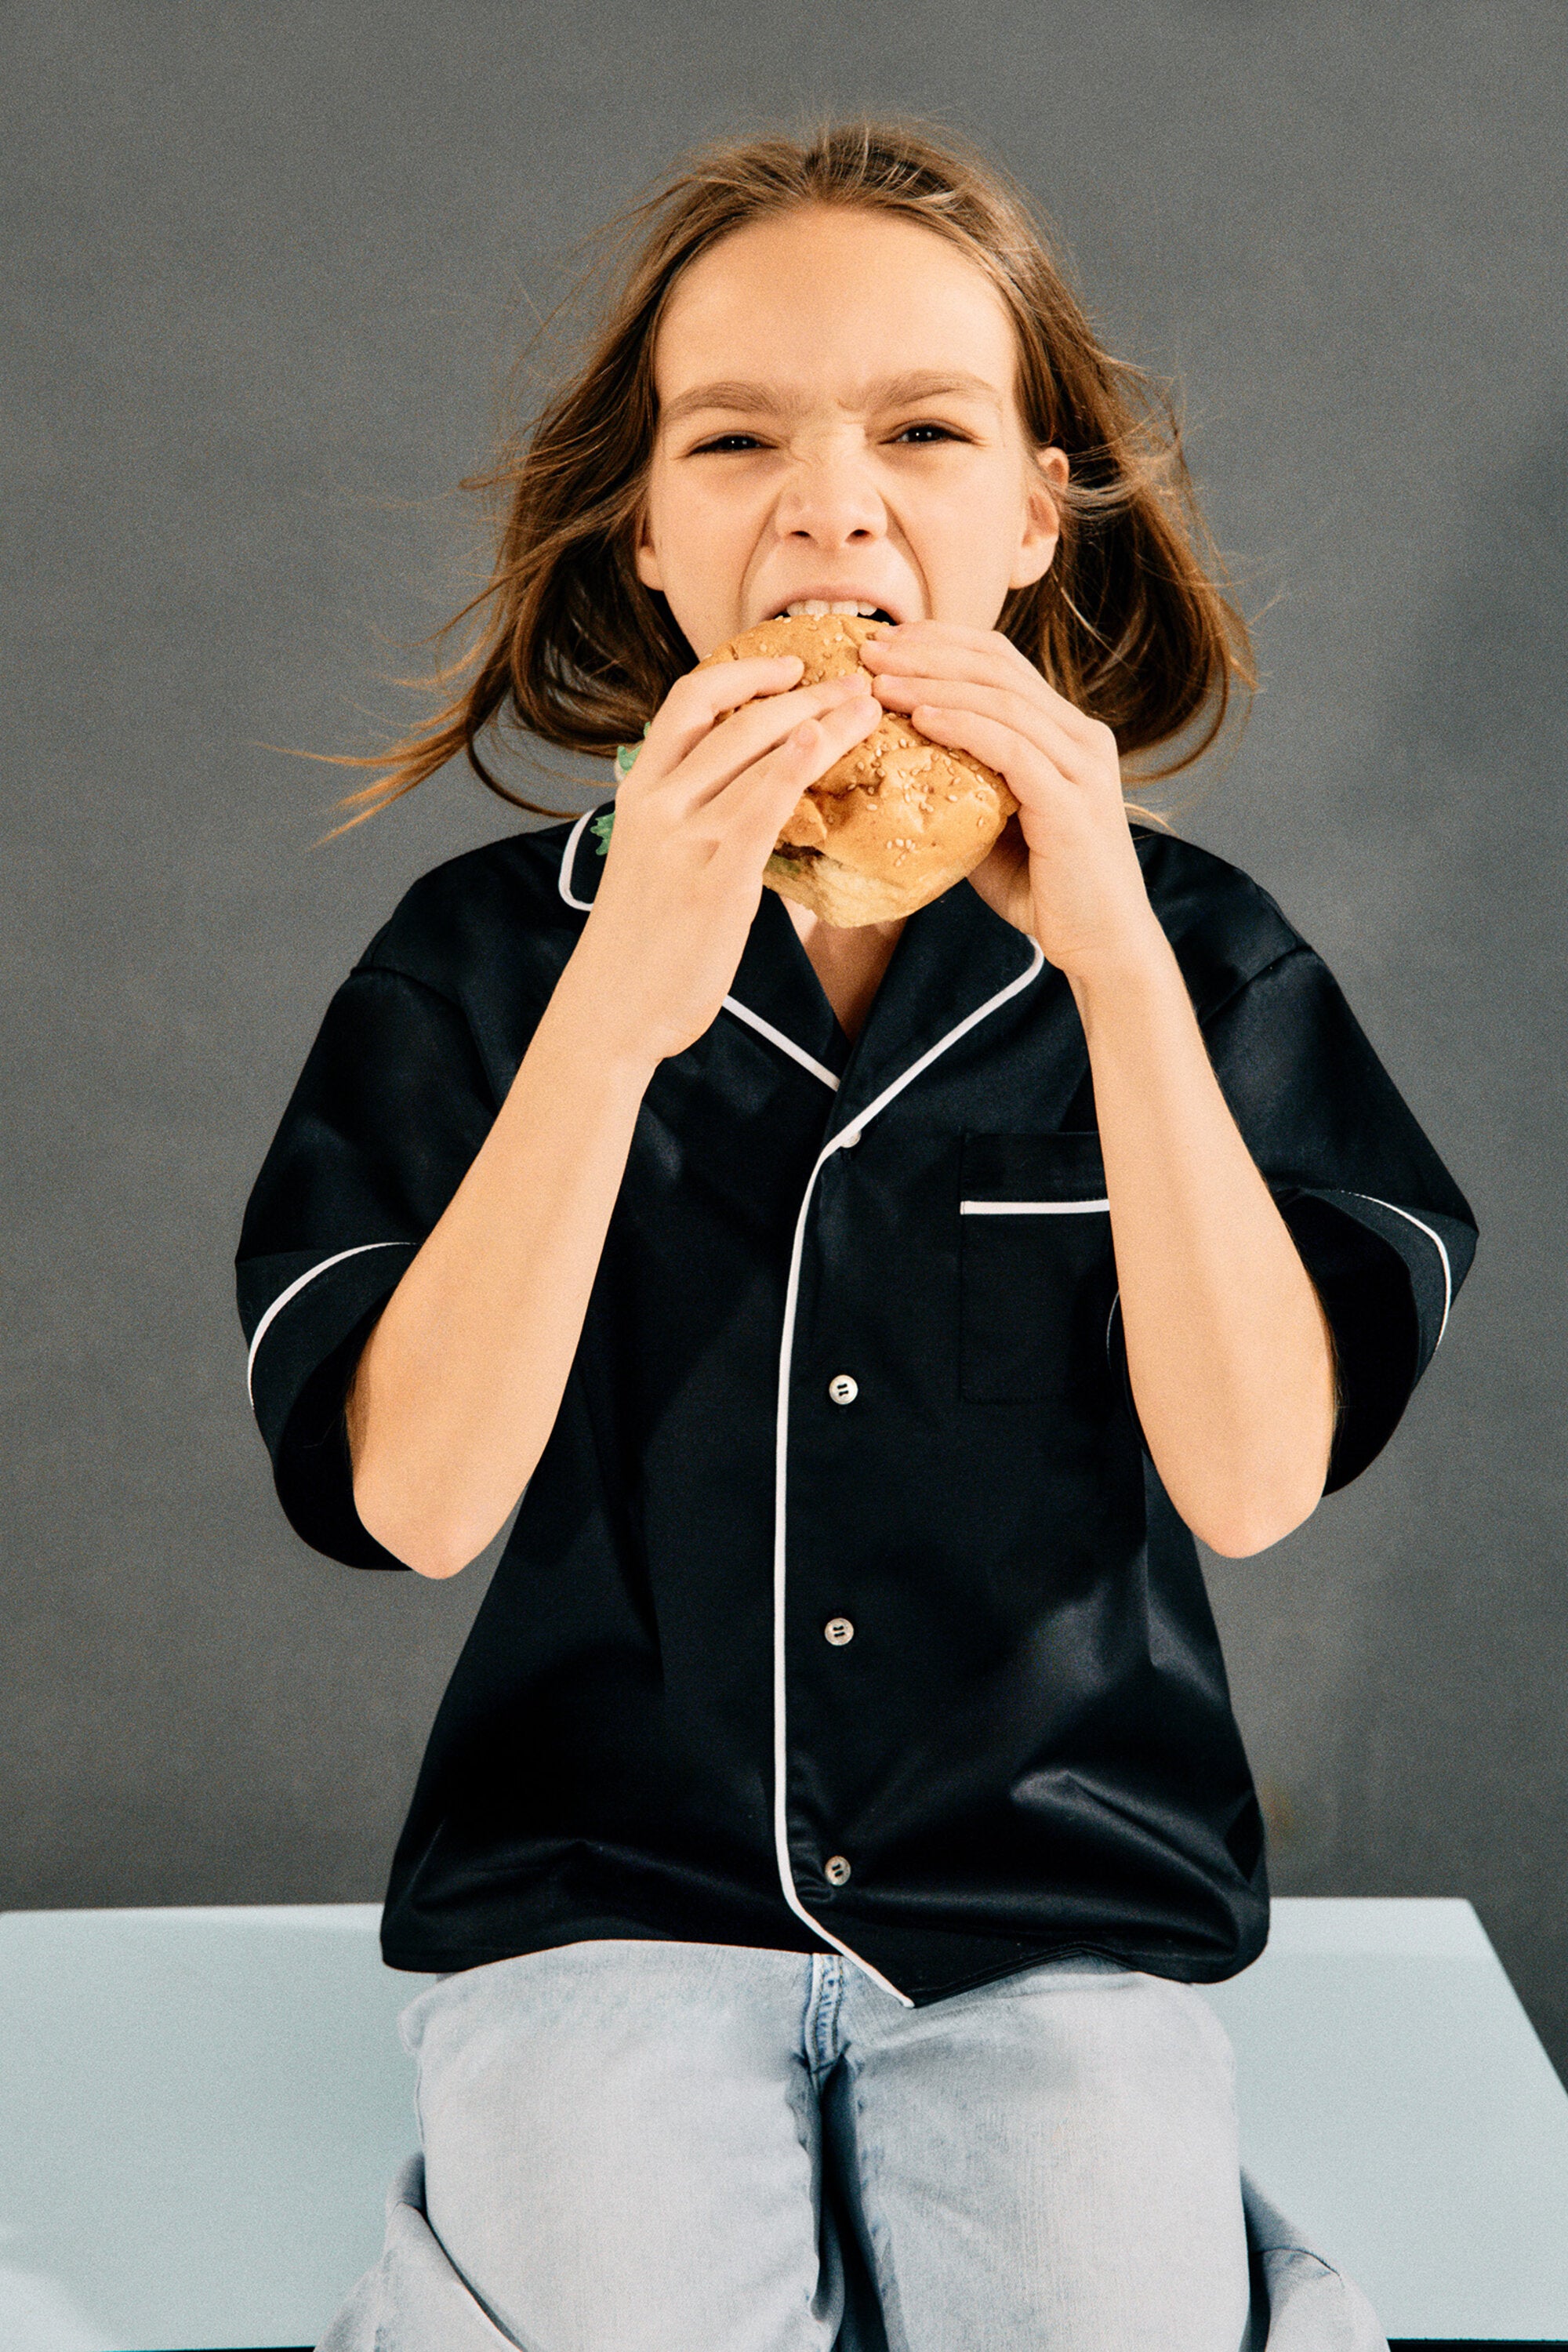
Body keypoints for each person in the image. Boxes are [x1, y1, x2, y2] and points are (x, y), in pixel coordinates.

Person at [237, 122, 1474, 2352]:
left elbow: (1254, 1480)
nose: (832, 507)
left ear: (1037, 511)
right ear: (645, 527)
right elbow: (411, 1507)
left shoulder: (1204, 958)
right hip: (595, 1905)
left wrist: (1114, 962)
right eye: (736, 440)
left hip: (1059, 1913)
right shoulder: (479, 963)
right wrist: (618, 1006)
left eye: (924, 430)